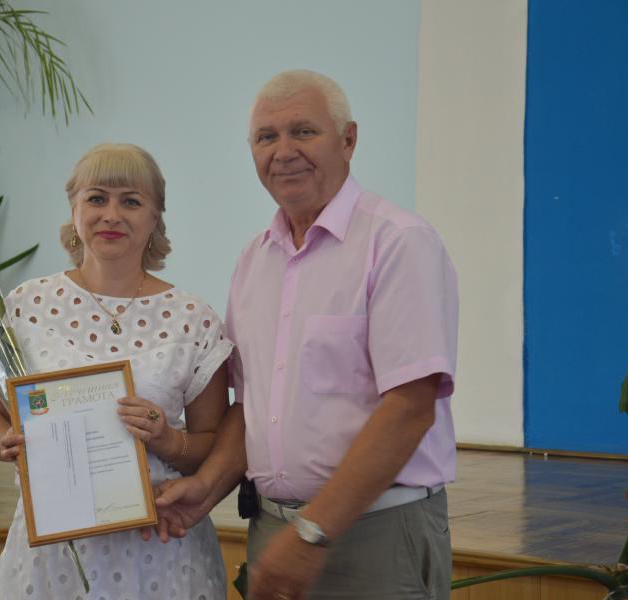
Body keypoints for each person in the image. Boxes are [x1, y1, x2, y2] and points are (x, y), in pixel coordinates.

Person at [151, 70, 459, 600]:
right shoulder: (254, 260)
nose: (283, 151)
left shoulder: (399, 243)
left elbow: (409, 409)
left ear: (348, 140)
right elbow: (250, 408)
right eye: (266, 137)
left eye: (303, 132)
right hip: (275, 532)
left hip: (376, 537)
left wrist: (312, 532)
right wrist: (205, 489)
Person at [0, 143, 233, 599]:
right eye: (96, 198)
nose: (112, 215)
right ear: (74, 210)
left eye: (131, 201)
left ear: (155, 216)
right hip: (53, 555)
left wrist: (168, 439)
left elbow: (213, 443)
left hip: (160, 550)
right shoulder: (26, 305)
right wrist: (5, 442)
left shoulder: (193, 318)